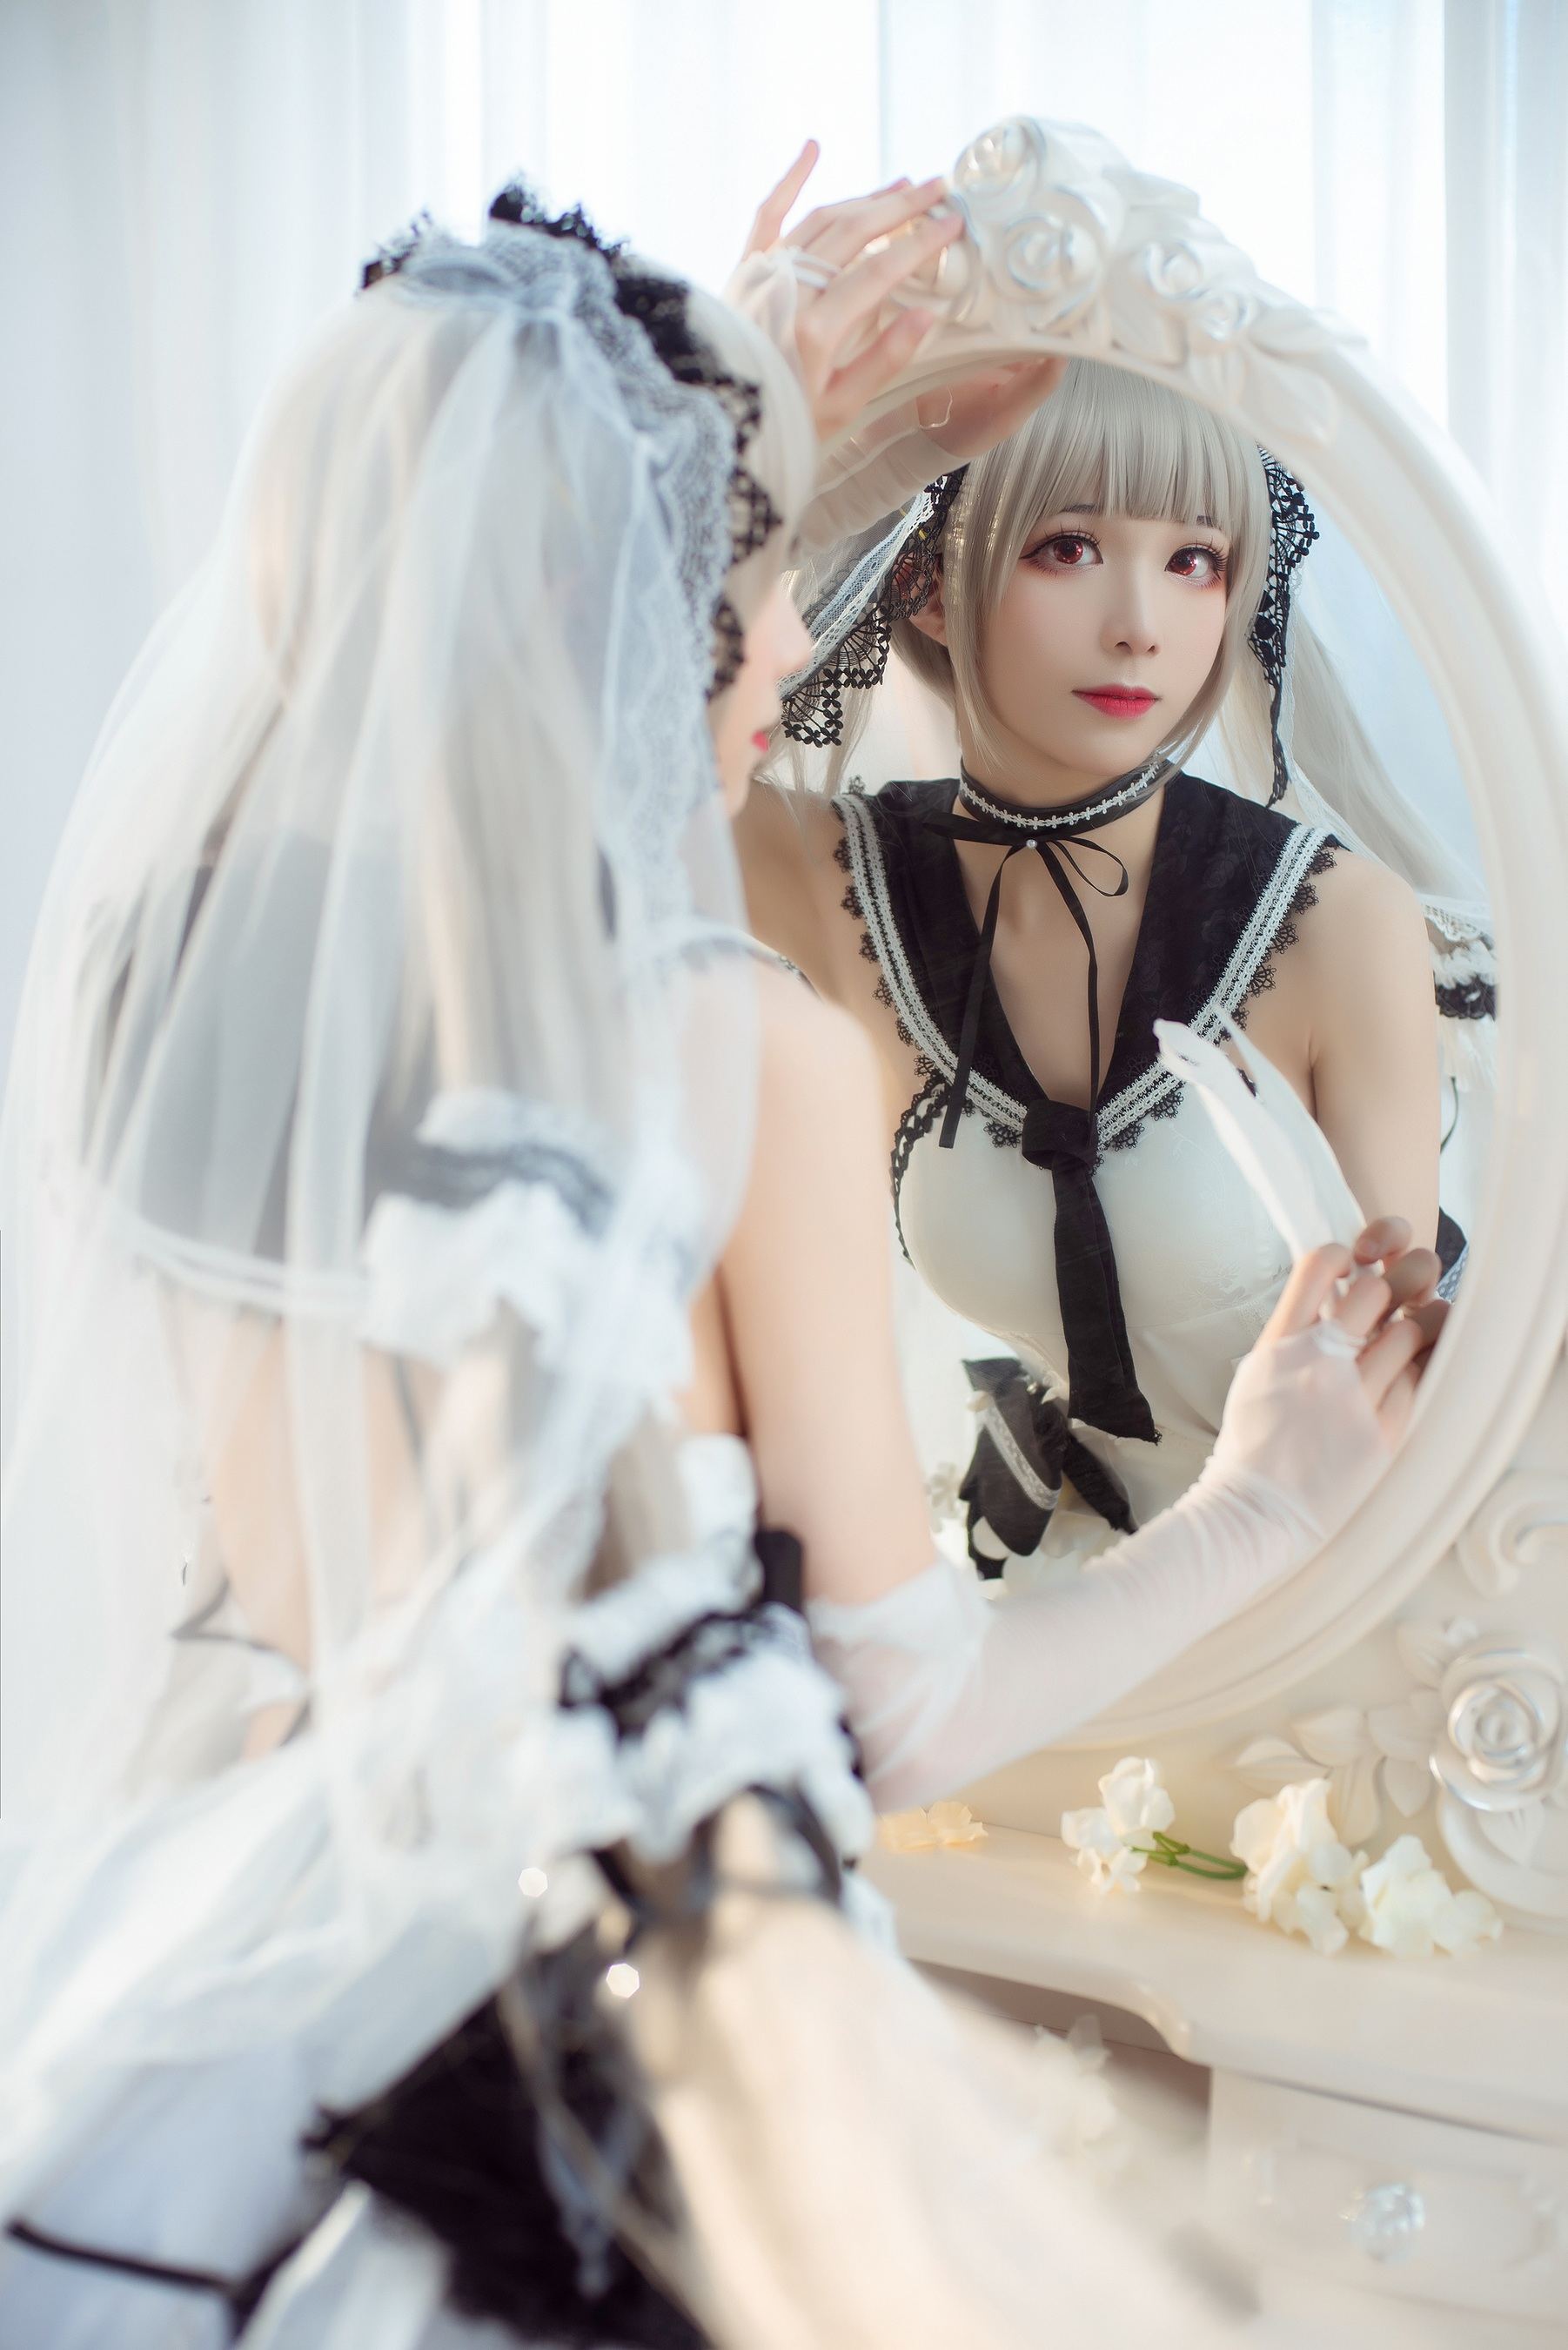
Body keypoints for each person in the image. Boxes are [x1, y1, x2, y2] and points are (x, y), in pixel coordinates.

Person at [0, 178, 1436, 2348]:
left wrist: (697, 412)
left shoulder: (176, 963)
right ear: (598, 586)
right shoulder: (730, 1046)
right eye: (744, 575)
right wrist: (1264, 1506)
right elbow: (900, 1710)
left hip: (224, 1968)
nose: (778, 645)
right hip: (585, 2033)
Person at [732, 146, 1481, 1576]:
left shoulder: (1334, 919)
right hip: (1057, 1588)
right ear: (921, 581)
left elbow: (1396, 1400)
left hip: (1347, 1601)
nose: (1142, 622)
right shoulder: (843, 886)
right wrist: (763, 439)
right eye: (1069, 547)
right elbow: (582, 750)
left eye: (1194, 559)